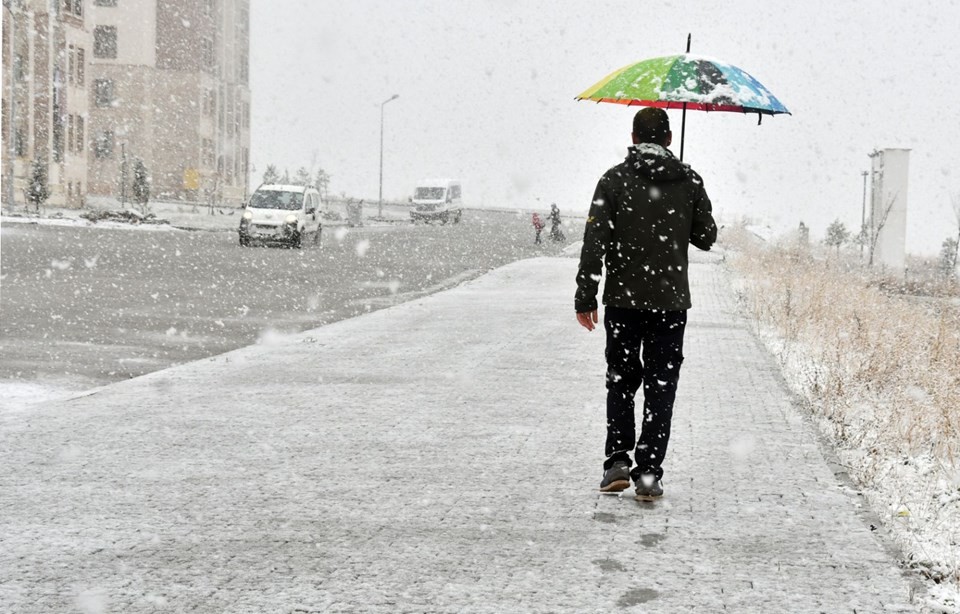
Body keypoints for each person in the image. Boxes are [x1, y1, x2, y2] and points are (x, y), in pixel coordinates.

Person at [575, 107, 717, 500]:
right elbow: (707, 236)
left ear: (634, 138)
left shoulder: (614, 180)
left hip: (623, 302)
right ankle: (649, 474)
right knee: (661, 387)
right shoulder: (688, 179)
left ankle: (617, 463)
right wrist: (686, 197)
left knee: (621, 381)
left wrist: (585, 295)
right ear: (669, 139)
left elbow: (594, 242)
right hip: (670, 305)